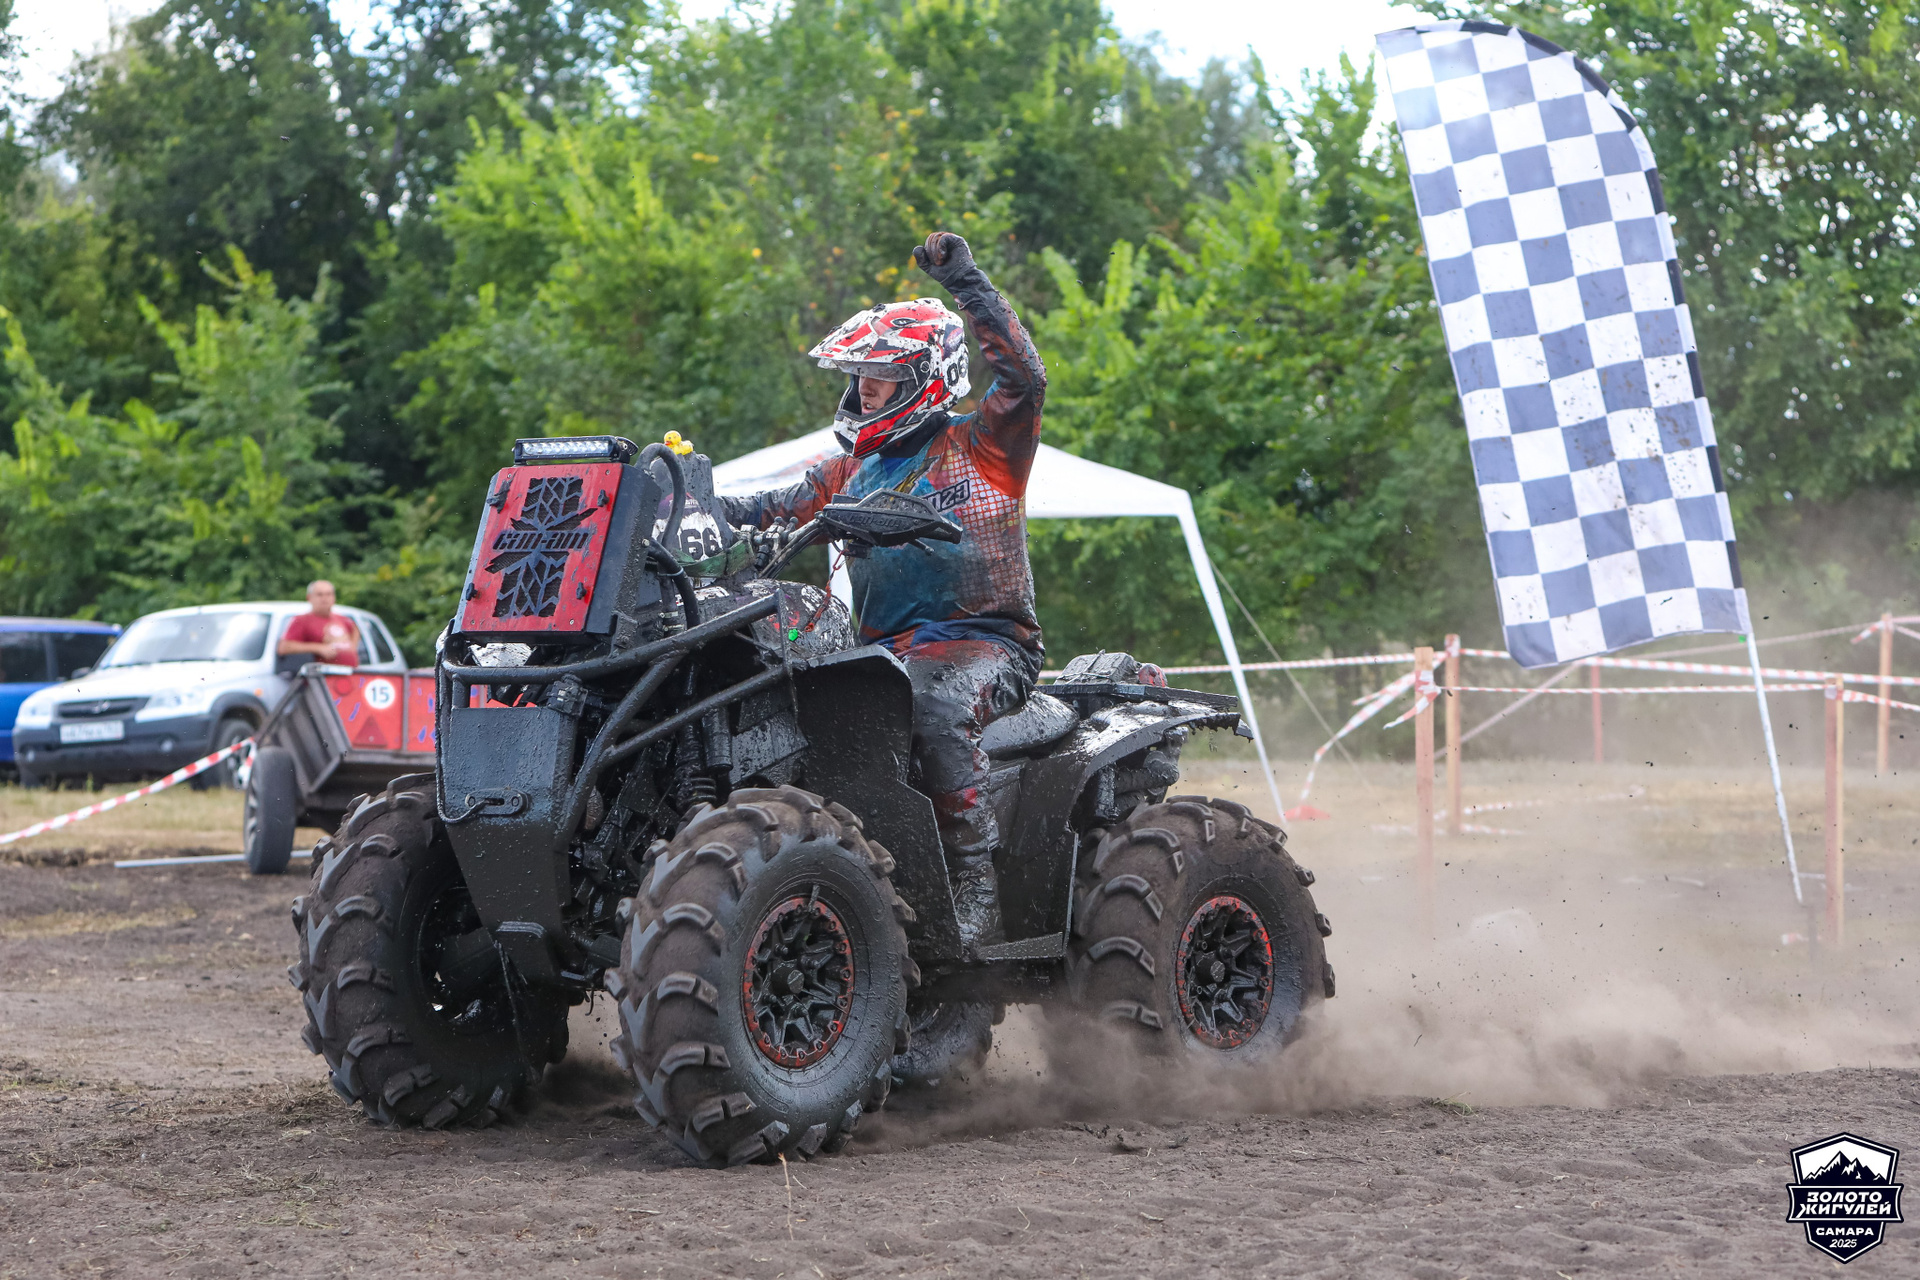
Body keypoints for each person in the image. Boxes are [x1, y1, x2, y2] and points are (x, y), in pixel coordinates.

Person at [725, 231, 1046, 948]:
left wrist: (966, 283)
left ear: (922, 379)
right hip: (882, 655)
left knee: (934, 705)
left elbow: (1026, 380)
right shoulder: (847, 472)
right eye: (858, 376)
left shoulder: (983, 445)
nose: (861, 389)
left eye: (878, 376)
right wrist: (687, 506)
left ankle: (975, 881)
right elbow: (767, 509)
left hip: (987, 643)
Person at [278, 580, 360, 670]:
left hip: (351, 675)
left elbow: (355, 638)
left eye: (328, 594)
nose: (325, 598)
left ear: (334, 597)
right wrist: (318, 648)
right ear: (309, 597)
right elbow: (284, 647)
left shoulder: (345, 620)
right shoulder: (302, 620)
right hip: (323, 676)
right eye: (320, 595)